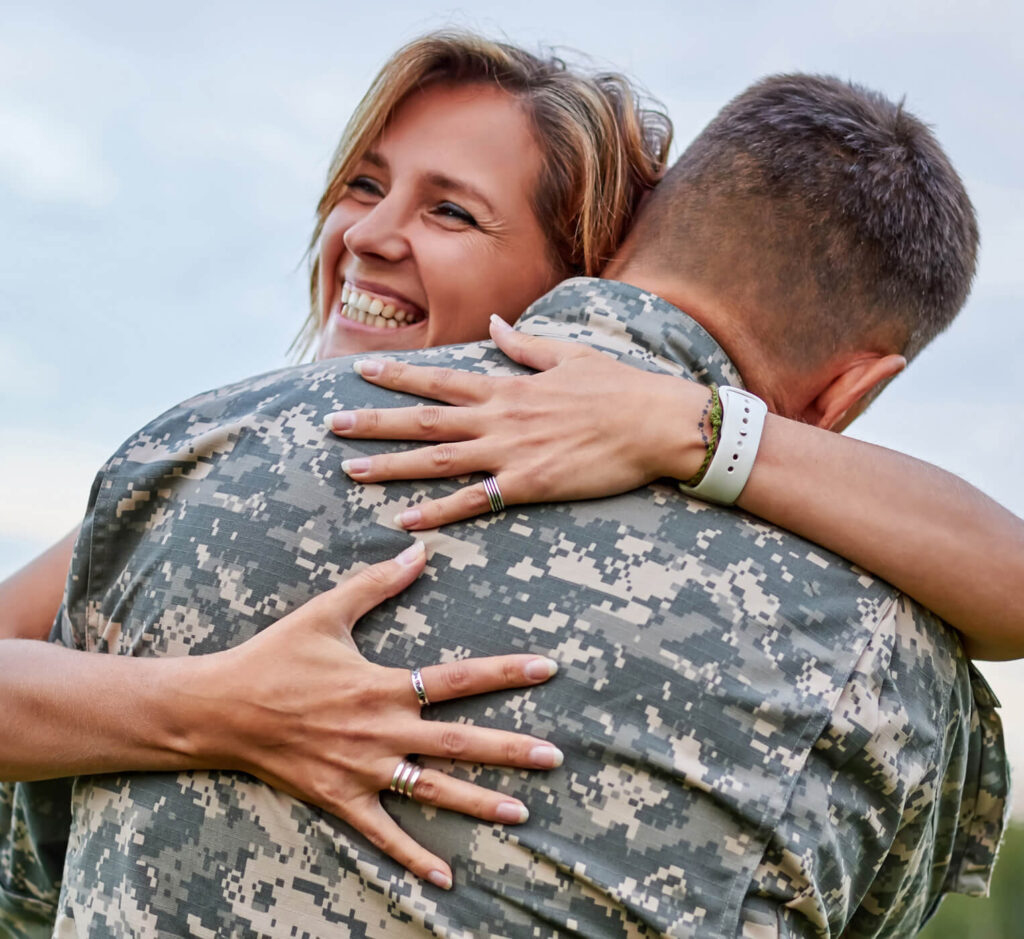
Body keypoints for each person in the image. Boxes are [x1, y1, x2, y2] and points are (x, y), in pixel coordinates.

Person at [6, 68, 1009, 936]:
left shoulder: (191, 461)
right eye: (361, 185)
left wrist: (680, 424)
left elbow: (37, 873)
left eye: (452, 210)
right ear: (851, 392)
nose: (369, 235)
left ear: (598, 254)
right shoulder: (885, 649)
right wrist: (212, 711)